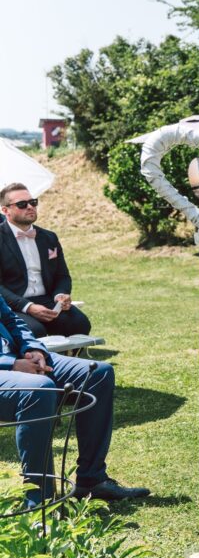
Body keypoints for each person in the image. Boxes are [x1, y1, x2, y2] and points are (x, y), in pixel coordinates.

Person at [0, 296, 149, 504]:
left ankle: (92, 480)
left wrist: (33, 348)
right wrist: (10, 364)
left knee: (97, 373)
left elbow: (11, 319)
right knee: (39, 389)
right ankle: (39, 501)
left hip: (18, 355)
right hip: (6, 366)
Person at [0, 182, 92, 339]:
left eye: (33, 202)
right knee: (35, 331)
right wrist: (28, 307)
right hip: (12, 303)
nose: (30, 207)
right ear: (5, 210)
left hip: (47, 300)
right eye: (22, 204)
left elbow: (62, 275)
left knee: (80, 324)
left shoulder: (49, 237)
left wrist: (60, 295)